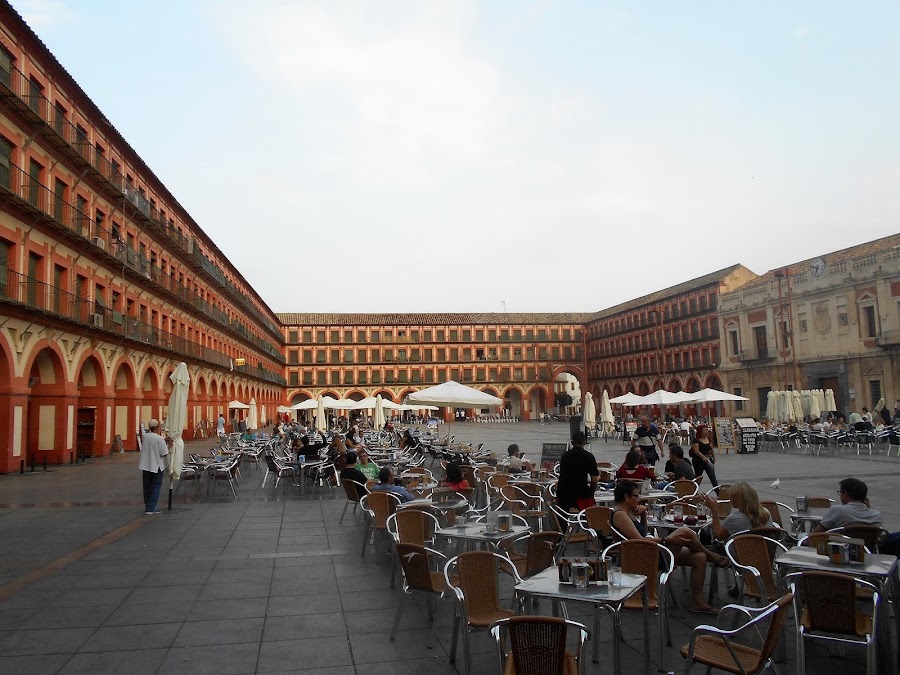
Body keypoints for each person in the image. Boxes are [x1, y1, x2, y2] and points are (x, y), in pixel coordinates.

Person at [611, 481, 728, 614]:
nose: (639, 499)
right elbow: (639, 541)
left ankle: (698, 602)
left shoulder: (628, 513)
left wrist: (643, 516)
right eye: (636, 496)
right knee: (685, 531)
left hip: (649, 551)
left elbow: (643, 534)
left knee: (699, 558)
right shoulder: (620, 515)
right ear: (627, 497)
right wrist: (667, 540)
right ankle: (712, 555)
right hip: (642, 558)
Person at [704, 482, 771, 539]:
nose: (731, 499)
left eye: (734, 496)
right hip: (763, 551)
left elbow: (717, 536)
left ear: (742, 499)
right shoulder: (766, 512)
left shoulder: (735, 519)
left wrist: (714, 510)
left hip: (737, 553)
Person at [815, 478, 882, 530]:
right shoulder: (876, 515)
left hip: (842, 546)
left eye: (841, 493)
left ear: (846, 494)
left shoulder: (837, 510)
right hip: (867, 547)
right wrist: (868, 508)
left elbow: (817, 533)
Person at [556, 431, 599, 512]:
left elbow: (562, 476)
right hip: (581, 493)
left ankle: (562, 524)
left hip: (564, 494)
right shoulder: (589, 457)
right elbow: (594, 480)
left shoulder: (565, 456)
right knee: (587, 517)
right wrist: (591, 494)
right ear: (585, 442)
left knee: (563, 518)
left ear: (572, 442)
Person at [139, 419, 169, 515]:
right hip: (156, 465)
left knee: (147, 486)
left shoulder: (145, 436)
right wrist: (168, 444)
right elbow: (164, 453)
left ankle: (148, 505)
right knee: (156, 486)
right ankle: (151, 507)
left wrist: (164, 441)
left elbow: (152, 443)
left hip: (146, 465)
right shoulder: (159, 439)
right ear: (157, 427)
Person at [690, 424, 719, 491]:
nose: (706, 432)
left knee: (712, 477)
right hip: (698, 461)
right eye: (704, 430)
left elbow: (711, 449)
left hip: (708, 460)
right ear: (700, 431)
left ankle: (718, 492)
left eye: (706, 430)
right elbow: (696, 451)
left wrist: (713, 458)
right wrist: (703, 457)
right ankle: (693, 491)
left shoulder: (708, 439)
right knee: (698, 477)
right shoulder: (696, 440)